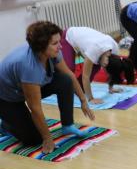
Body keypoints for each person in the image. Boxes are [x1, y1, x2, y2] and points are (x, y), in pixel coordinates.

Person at [0, 22, 95, 154]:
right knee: (34, 139)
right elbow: (35, 107)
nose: (60, 46)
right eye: (55, 43)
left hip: (24, 88)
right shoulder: (28, 66)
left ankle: (67, 125)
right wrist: (47, 138)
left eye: (59, 41)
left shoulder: (53, 53)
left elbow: (70, 75)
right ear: (41, 46)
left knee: (65, 81)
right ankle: (6, 124)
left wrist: (84, 101)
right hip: (7, 98)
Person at [60, 27, 135, 104]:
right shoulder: (94, 50)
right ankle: (58, 84)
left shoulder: (114, 49)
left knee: (82, 86)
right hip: (68, 36)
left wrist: (111, 88)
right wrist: (91, 99)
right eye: (105, 66)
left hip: (89, 42)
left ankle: (75, 87)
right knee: (69, 69)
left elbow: (112, 72)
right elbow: (85, 76)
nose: (104, 68)